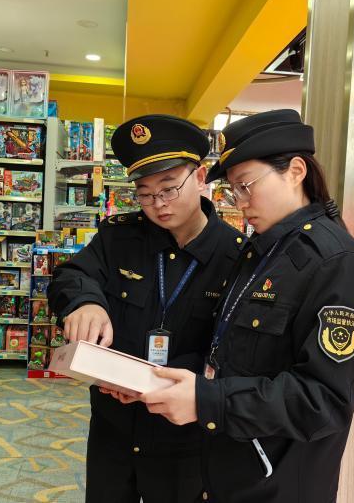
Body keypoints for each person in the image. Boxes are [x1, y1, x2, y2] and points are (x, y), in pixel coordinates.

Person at [139, 109, 354, 502]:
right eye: (234, 191)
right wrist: (158, 379)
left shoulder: (334, 262)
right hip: (232, 468)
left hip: (279, 483)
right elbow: (233, 353)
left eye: (246, 186)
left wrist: (208, 400)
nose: (240, 202)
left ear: (296, 171)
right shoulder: (261, 251)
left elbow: (324, 400)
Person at [47, 114, 245, 503]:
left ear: (200, 177)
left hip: (183, 436)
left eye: (169, 188)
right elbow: (70, 275)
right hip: (113, 428)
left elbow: (237, 352)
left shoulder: (235, 256)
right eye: (145, 193)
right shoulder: (120, 238)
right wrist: (85, 302)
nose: (158, 204)